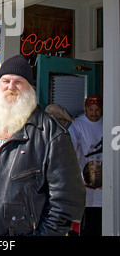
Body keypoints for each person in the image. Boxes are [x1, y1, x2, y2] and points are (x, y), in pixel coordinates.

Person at [0, 55, 85, 236]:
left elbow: (66, 203)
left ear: (31, 89)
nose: (11, 87)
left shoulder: (51, 134)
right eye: (6, 81)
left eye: (19, 82)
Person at [69, 95, 103, 236]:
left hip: (104, 185)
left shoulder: (109, 123)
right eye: (91, 109)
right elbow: (69, 150)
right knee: (85, 224)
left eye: (97, 110)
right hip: (83, 183)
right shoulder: (77, 125)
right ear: (85, 109)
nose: (94, 113)